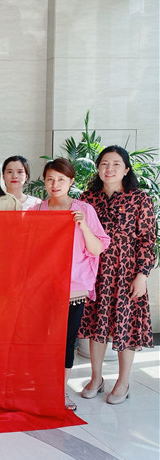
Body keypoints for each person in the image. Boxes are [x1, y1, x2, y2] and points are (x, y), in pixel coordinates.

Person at [30, 158, 110, 411]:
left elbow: (97, 248)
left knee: (65, 341)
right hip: (43, 288)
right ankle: (41, 388)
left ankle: (60, 391)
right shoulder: (36, 211)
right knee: (40, 339)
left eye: (61, 179)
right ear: (44, 181)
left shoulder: (84, 210)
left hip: (73, 289)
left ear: (71, 181)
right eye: (50, 179)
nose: (55, 184)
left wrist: (83, 226)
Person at [78, 146, 156, 405]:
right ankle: (96, 378)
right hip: (95, 270)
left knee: (127, 326)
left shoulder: (140, 199)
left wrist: (142, 275)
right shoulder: (87, 198)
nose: (109, 168)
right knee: (96, 325)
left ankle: (123, 381)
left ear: (126, 169)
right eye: (104, 163)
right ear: (98, 168)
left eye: (115, 164)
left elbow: (148, 240)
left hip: (127, 272)